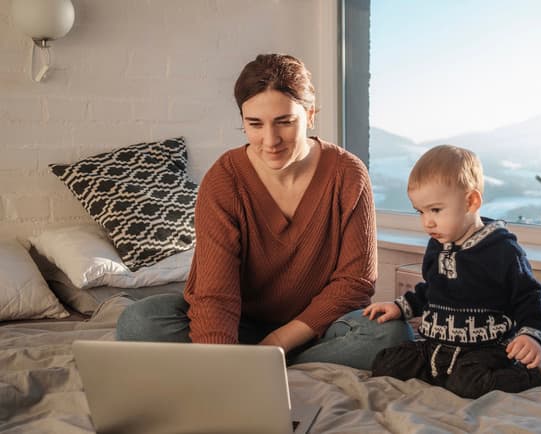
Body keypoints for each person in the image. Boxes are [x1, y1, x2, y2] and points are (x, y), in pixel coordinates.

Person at [116, 53, 413, 370]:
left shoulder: (347, 173)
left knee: (392, 333)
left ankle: (268, 361)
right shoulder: (224, 180)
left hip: (317, 327)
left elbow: (355, 282)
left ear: (310, 114)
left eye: (285, 122)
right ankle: (263, 364)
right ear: (242, 120)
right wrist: (220, 365)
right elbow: (215, 293)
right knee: (139, 321)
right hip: (240, 325)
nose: (270, 141)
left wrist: (278, 342)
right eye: (254, 124)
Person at [363, 145, 541, 399]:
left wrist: (531, 335)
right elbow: (433, 289)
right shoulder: (438, 244)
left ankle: (534, 376)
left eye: (435, 210)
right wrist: (401, 306)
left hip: (486, 349)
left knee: (467, 384)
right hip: (436, 346)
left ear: (471, 201)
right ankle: (442, 374)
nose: (427, 222)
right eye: (421, 211)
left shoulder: (502, 250)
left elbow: (530, 296)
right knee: (385, 363)